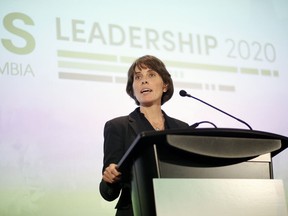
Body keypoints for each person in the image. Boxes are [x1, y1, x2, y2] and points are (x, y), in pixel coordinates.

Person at [99, 55, 189, 216]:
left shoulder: (182, 128)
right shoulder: (118, 126)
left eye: (151, 75)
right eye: (138, 77)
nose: (144, 81)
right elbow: (107, 193)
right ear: (132, 89)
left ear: (165, 85)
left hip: (175, 209)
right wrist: (110, 179)